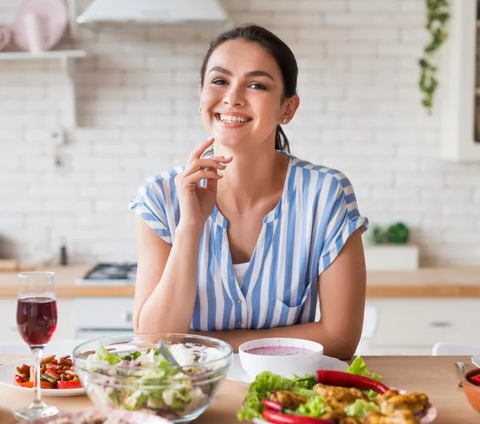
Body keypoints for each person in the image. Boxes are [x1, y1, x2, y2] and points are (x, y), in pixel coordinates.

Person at [129, 24, 368, 359]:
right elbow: (154, 340)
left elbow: (340, 338)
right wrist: (191, 227)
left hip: (287, 399)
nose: (232, 97)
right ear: (201, 94)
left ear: (288, 108)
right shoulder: (160, 198)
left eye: (256, 85)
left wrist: (202, 344)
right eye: (219, 81)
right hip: (190, 401)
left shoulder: (326, 194)